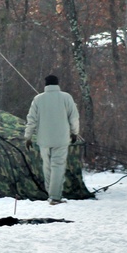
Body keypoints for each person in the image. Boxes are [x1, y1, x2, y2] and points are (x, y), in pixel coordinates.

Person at [24, 74, 80, 205]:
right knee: (58, 165)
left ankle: (50, 194)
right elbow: (74, 117)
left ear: (46, 84)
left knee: (47, 165)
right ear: (57, 84)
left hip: (44, 139)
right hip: (61, 138)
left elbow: (31, 119)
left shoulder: (38, 99)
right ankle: (55, 196)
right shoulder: (66, 97)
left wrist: (28, 137)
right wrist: (75, 132)